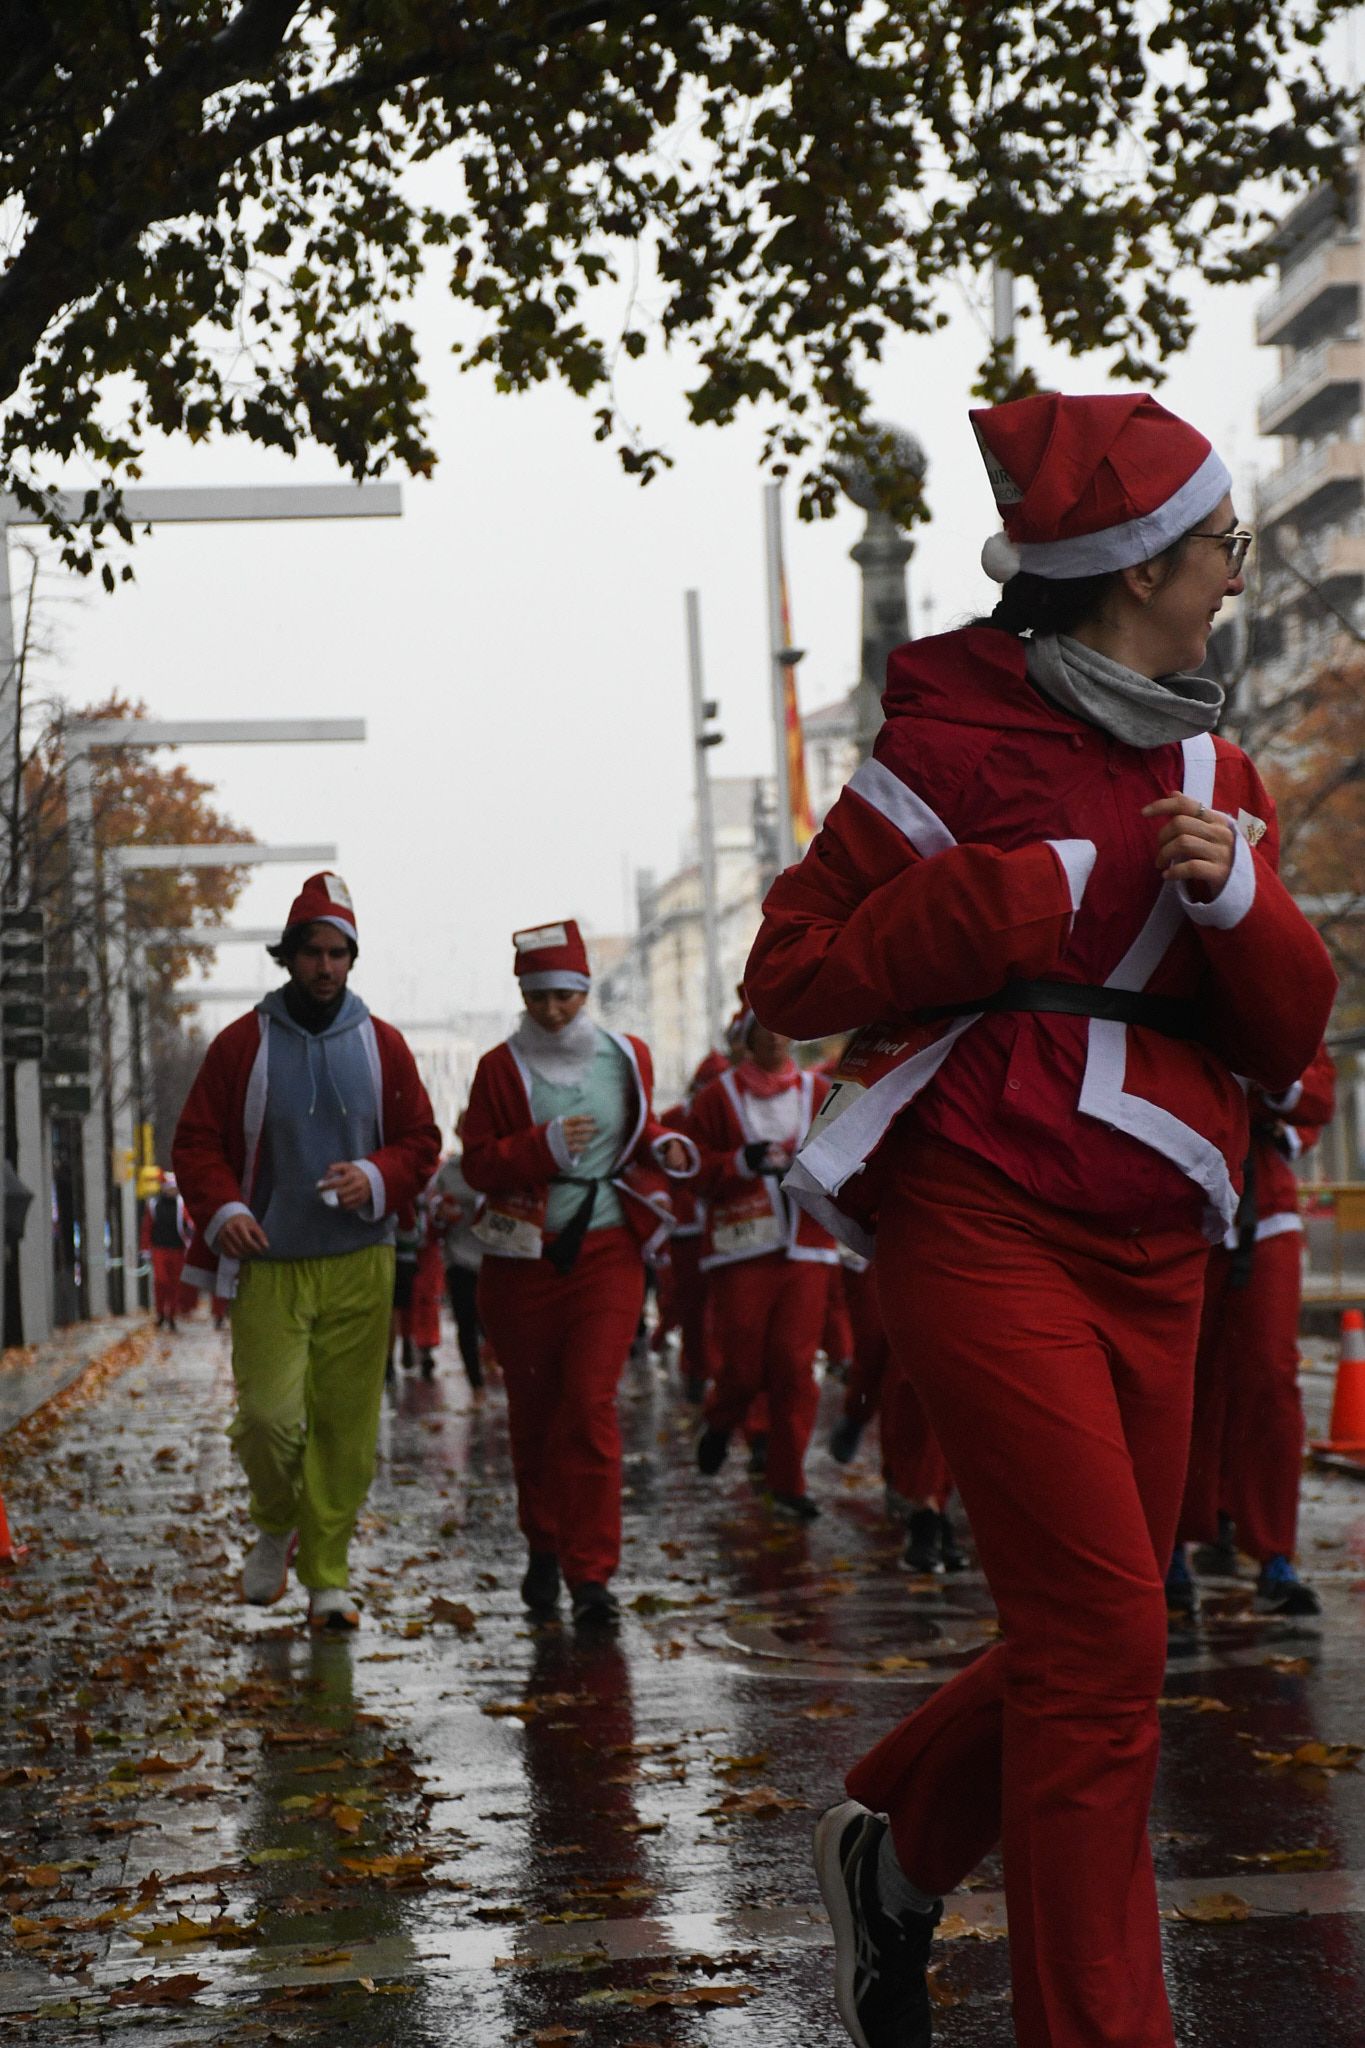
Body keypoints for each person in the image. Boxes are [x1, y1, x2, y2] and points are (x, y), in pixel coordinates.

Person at [744, 391, 1337, 2048]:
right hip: (977, 1209)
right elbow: (789, 970)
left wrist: (1236, 894)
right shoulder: (951, 748)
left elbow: (1288, 1030)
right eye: (1224, 542)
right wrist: (991, 901)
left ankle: (895, 1859)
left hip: (1160, 1236)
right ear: (1141, 563)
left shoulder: (1226, 767)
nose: (1236, 570)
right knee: (1097, 1647)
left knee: (1111, 1628)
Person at [174, 872, 440, 1631]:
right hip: (270, 1262)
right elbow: (195, 1142)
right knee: (268, 1417)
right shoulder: (241, 1045)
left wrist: (376, 1175)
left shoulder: (382, 1045)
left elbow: (421, 1141)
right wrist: (224, 1206)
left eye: (338, 953)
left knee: (346, 1428)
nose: (326, 967)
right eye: (312, 952)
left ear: (352, 959)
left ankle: (328, 1576)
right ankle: (275, 1521)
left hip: (361, 1260)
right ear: (287, 957)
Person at [462, 919, 696, 1627]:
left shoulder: (625, 1056)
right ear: (522, 995)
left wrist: (670, 1147)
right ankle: (544, 1544)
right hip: (522, 1263)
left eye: (564, 995)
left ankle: (591, 1574)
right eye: (538, 997)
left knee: (590, 1403)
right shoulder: (499, 1069)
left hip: (605, 1252)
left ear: (585, 990)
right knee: (534, 1416)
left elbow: (638, 1129)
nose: (553, 1009)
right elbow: (477, 1163)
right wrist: (541, 1147)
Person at [1169, 1044, 1336, 1619]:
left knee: (1270, 1376)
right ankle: (1171, 1548)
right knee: (1177, 1381)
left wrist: (1267, 1078)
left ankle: (1274, 1555)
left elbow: (1318, 1093)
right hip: (1175, 1203)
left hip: (1263, 1207)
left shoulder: (1265, 982)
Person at [686, 1006, 839, 1520]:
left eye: (781, 1027)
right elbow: (691, 1169)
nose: (774, 1038)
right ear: (744, 1038)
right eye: (761, 1029)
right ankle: (721, 1420)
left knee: (796, 1369)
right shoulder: (716, 1098)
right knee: (744, 1369)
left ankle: (788, 1481)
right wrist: (737, 1163)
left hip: (806, 1248)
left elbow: (849, 1158)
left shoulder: (821, 1095)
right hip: (742, 1250)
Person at [433, 1115, 486, 1393]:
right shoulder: (449, 1171)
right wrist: (442, 1214)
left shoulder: (496, 1165)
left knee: (492, 1322)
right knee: (465, 1320)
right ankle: (476, 1385)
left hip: (493, 1257)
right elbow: (433, 1211)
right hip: (459, 1256)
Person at [143, 1173, 190, 1331]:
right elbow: (147, 1229)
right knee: (161, 1281)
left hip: (177, 1249)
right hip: (160, 1249)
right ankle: (160, 1312)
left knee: (175, 1284)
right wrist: (145, 1249)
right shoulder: (154, 1205)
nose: (173, 1191)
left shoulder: (182, 1205)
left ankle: (171, 1315)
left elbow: (189, 1225)